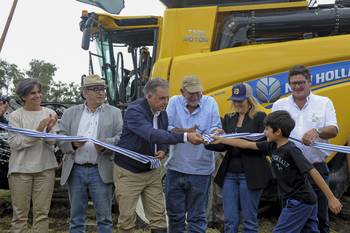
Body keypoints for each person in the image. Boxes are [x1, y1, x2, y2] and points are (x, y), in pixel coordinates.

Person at [210, 110, 342, 233]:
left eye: (267, 129)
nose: (264, 132)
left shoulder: (291, 150)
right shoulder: (272, 146)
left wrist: (331, 198)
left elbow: (313, 171)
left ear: (277, 132)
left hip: (300, 200)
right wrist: (222, 139)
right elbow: (246, 144)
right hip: (297, 199)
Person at [113, 78, 204, 233]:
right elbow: (151, 134)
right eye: (162, 98)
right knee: (127, 220)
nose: (166, 102)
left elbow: (163, 135)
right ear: (148, 96)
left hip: (152, 171)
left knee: (159, 218)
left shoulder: (162, 113)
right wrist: (185, 137)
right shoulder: (134, 111)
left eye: (167, 98)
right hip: (129, 172)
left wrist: (163, 149)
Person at [272, 64, 339, 233]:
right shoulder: (280, 105)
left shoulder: (324, 103)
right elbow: (271, 133)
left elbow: (334, 129)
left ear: (310, 82)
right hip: (289, 172)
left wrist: (318, 131)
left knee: (320, 218)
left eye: (301, 82)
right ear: (289, 84)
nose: (297, 86)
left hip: (316, 167)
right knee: (291, 217)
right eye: (293, 83)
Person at [59, 74, 123, 233]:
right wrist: (73, 144)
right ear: (85, 93)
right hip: (76, 170)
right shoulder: (70, 113)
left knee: (105, 219)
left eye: (102, 89)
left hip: (100, 171)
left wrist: (104, 145)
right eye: (95, 89)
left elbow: (121, 138)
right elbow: (60, 138)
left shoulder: (114, 112)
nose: (101, 93)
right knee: (76, 219)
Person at [205, 83, 272, 233]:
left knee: (249, 220)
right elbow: (223, 146)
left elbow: (261, 144)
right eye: (234, 100)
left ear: (249, 100)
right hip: (229, 174)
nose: (236, 103)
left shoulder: (260, 117)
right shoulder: (229, 119)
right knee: (230, 220)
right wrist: (207, 140)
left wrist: (225, 139)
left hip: (251, 174)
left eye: (240, 100)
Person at [165, 76, 222, 233]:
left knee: (197, 217)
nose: (196, 96)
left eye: (198, 92)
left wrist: (216, 133)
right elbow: (165, 129)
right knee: (175, 216)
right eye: (191, 93)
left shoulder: (210, 103)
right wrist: (186, 133)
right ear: (182, 91)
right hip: (175, 168)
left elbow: (215, 127)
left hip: (201, 170)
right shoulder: (174, 102)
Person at [8, 78, 58, 233]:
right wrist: (38, 131)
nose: (37, 96)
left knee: (42, 215)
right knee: (20, 216)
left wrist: (48, 130)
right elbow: (15, 143)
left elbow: (53, 142)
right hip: (20, 170)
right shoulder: (15, 116)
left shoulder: (50, 113)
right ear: (23, 97)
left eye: (39, 92)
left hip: (45, 169)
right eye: (32, 93)